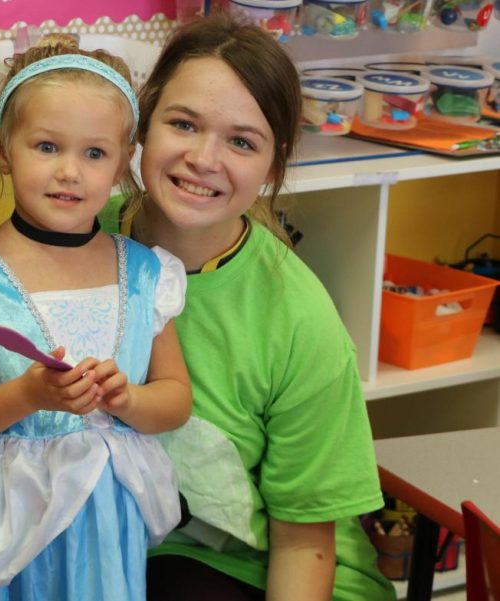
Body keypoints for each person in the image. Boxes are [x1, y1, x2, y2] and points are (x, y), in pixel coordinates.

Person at [99, 15, 396, 601]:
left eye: (241, 141)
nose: (204, 159)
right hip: (122, 546)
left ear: (273, 163)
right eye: (183, 124)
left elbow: (304, 546)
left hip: (264, 568)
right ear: (143, 124)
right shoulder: (80, 240)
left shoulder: (298, 317)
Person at [0, 36, 193, 601]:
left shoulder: (145, 275)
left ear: (122, 161)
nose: (70, 172)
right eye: (46, 146)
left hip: (110, 521)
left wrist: (127, 401)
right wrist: (28, 396)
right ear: (2, 150)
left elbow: (176, 399)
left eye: (94, 153)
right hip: (12, 521)